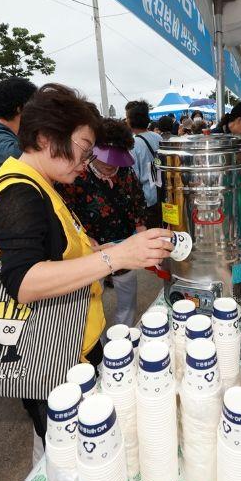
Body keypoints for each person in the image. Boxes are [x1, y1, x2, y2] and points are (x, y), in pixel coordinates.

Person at [0, 85, 172, 447]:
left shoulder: (40, 183)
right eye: (84, 149)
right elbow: (24, 281)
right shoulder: (18, 192)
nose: (86, 161)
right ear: (45, 138)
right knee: (70, 452)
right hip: (51, 355)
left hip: (72, 343)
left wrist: (111, 249)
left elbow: (56, 254)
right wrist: (117, 257)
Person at [57, 119, 147, 335]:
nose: (111, 167)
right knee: (90, 302)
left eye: (116, 162)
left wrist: (141, 224)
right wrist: (83, 238)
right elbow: (65, 211)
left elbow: (138, 200)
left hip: (124, 245)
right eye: (107, 161)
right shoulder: (76, 176)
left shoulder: (126, 172)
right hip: (92, 250)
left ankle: (122, 338)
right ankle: (95, 342)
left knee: (127, 299)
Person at [126, 100, 163, 228]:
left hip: (146, 199)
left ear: (131, 120)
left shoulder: (133, 144)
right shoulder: (157, 137)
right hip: (160, 193)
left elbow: (133, 177)